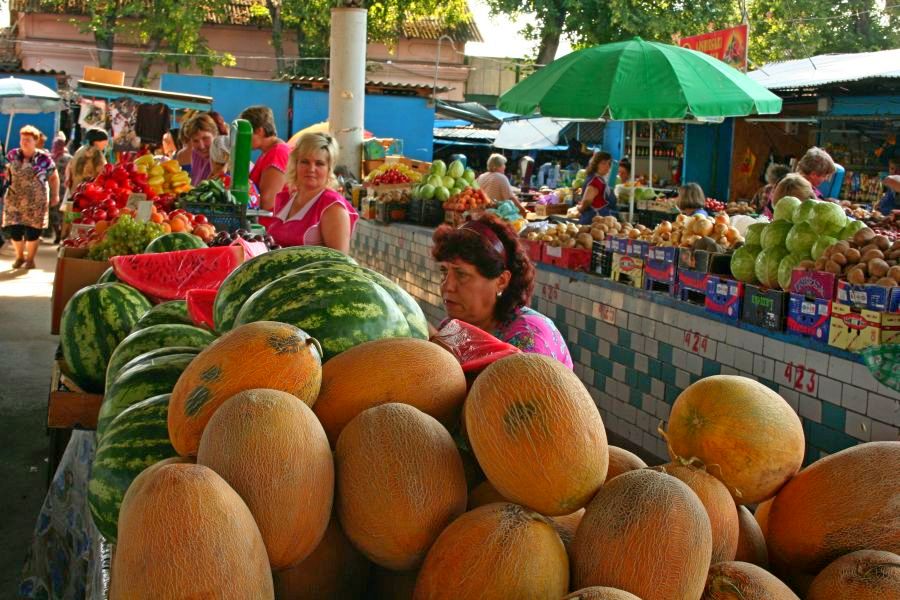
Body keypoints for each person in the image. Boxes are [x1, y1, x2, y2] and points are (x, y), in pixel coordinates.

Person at [431, 214, 573, 368]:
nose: (447, 286)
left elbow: (506, 389)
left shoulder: (530, 337)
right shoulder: (451, 329)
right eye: (444, 272)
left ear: (501, 281)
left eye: (461, 274)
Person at [263, 132, 358, 252]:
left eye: (319, 163)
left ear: (329, 168)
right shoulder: (287, 198)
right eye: (305, 162)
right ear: (295, 163)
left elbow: (339, 263)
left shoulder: (332, 206)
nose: (311, 169)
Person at [3, 125, 60, 269]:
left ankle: (30, 259)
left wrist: (55, 195)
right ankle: (20, 256)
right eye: (22, 139)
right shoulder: (12, 155)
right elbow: (6, 174)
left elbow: (53, 177)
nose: (24, 142)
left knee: (33, 231)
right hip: (14, 199)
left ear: (36, 141)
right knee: (15, 230)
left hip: (37, 201)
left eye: (28, 140)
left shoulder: (44, 158)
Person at [239, 105, 291, 211]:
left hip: (270, 225)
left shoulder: (277, 153)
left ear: (259, 131)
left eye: (246, 133)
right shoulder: (267, 153)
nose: (243, 139)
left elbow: (268, 202)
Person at [65, 129, 108, 199]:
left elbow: (69, 165)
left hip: (74, 191)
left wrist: (68, 178)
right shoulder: (97, 153)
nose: (106, 143)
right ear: (96, 141)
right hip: (87, 193)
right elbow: (103, 172)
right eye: (105, 140)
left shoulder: (80, 150)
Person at [578, 151, 617, 224]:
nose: (607, 166)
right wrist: (581, 209)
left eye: (609, 163)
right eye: (603, 163)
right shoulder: (595, 181)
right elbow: (587, 200)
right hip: (594, 221)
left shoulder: (597, 178)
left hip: (599, 221)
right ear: (596, 164)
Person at [181, 113, 219, 185]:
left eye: (205, 138)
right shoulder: (195, 154)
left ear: (215, 135)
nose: (201, 146)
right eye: (195, 141)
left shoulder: (224, 156)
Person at [48, 133, 71, 243]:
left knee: (54, 213)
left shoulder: (50, 159)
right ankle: (64, 235)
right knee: (64, 213)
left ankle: (57, 234)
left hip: (53, 189)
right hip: (65, 189)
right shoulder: (69, 158)